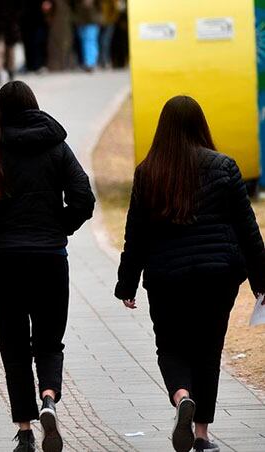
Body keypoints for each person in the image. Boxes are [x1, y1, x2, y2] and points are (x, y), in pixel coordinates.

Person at [115, 96, 265, 452]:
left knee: (170, 346)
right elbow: (248, 230)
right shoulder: (225, 167)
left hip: (167, 278)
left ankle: (181, 394)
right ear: (201, 125)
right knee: (208, 351)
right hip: (218, 276)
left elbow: (135, 233)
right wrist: (261, 281)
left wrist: (127, 283)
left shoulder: (148, 172)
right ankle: (201, 435)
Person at [0, 81, 94, 452]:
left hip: (6, 263)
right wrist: (59, 228)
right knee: (49, 340)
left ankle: (24, 431)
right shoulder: (57, 149)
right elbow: (84, 197)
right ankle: (48, 397)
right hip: (51, 258)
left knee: (14, 346)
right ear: (34, 107)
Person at [71, 0, 102, 71]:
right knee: (84, 41)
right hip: (80, 19)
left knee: (90, 40)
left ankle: (91, 63)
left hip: (92, 19)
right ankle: (87, 62)